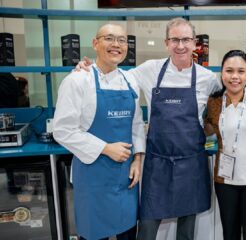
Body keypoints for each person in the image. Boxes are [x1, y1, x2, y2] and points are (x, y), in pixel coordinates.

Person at [76, 17, 221, 240]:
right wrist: (89, 69)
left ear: (194, 43)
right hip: (158, 163)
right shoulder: (149, 70)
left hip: (191, 163)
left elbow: (227, 94)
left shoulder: (208, 78)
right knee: (147, 227)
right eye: (174, 40)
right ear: (166, 43)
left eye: (185, 40)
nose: (180, 46)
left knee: (187, 229)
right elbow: (114, 77)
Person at [53, 23, 146, 240]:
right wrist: (105, 148)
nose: (116, 45)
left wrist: (138, 160)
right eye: (109, 38)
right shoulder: (77, 80)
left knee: (128, 233)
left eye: (122, 40)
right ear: (95, 44)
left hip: (126, 177)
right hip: (93, 177)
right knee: (94, 234)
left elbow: (137, 124)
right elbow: (62, 130)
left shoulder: (130, 80)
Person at [204, 49, 246, 240]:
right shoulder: (214, 101)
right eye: (229, 71)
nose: (235, 76)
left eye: (241, 71)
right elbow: (209, 131)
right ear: (222, 73)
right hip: (225, 181)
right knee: (230, 233)